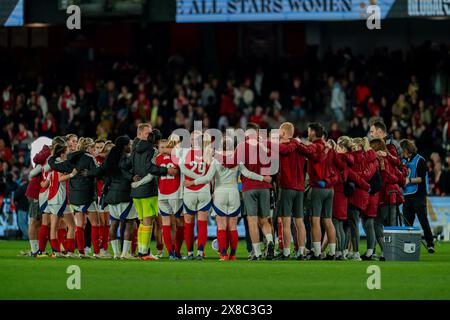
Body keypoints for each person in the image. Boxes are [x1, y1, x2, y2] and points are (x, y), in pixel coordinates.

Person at [185, 136, 269, 261]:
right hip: (234, 193)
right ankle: (233, 255)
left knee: (221, 226)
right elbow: (247, 173)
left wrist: (193, 183)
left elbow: (208, 178)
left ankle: (223, 254)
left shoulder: (216, 160)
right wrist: (263, 178)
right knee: (233, 227)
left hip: (220, 193)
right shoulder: (237, 160)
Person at [223, 123, 275, 261]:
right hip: (264, 187)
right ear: (257, 133)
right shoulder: (265, 146)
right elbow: (273, 165)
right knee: (264, 220)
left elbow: (230, 163)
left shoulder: (241, 146)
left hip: (249, 187)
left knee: (252, 220)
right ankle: (270, 240)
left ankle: (256, 253)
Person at [48, 137, 100, 258]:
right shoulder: (89, 158)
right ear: (87, 148)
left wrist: (51, 157)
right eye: (93, 148)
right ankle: (98, 252)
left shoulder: (70, 159)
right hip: (83, 195)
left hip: (73, 196)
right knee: (95, 223)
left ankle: (77, 251)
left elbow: (54, 167)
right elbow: (99, 171)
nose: (94, 151)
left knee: (77, 225)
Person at [130, 123, 175, 260]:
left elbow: (130, 166)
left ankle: (142, 251)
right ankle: (145, 253)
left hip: (136, 191)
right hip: (148, 189)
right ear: (140, 134)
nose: (151, 135)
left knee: (143, 222)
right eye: (148, 133)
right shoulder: (150, 149)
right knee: (148, 222)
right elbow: (150, 168)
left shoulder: (134, 148)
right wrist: (166, 170)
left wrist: (132, 178)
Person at [296, 123, 336, 260]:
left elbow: (305, 150)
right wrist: (329, 182)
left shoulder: (314, 146)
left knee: (315, 220)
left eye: (308, 131)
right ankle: (332, 252)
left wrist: (296, 142)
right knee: (328, 220)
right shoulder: (330, 148)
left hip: (317, 188)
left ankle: (317, 252)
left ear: (313, 132)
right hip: (329, 188)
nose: (307, 134)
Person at [102, 136, 138, 259]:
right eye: (129, 144)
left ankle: (116, 253)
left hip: (112, 195)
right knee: (130, 223)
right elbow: (125, 171)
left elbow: (101, 172)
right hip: (125, 194)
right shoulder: (125, 158)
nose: (130, 147)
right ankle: (125, 253)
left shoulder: (110, 158)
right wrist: (132, 177)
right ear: (124, 146)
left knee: (114, 224)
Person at [179, 130, 213, 260]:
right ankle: (200, 252)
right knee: (202, 223)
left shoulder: (185, 153)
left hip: (189, 191)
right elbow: (211, 177)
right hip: (204, 190)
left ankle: (189, 253)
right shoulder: (208, 154)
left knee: (188, 224)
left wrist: (191, 182)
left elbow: (182, 170)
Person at [276, 122, 307, 260]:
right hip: (299, 188)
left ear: (283, 132)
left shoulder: (280, 147)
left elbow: (283, 151)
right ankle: (301, 251)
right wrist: (296, 142)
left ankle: (287, 252)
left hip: (287, 187)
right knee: (299, 222)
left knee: (286, 222)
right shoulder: (300, 147)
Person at [400, 139, 435, 253]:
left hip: (418, 195)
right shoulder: (403, 161)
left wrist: (409, 180)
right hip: (407, 195)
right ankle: (408, 246)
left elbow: (421, 178)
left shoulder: (420, 160)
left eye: (402, 150)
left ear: (406, 149)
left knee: (423, 220)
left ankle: (430, 243)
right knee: (407, 222)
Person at [44, 141, 77, 258]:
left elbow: (48, 181)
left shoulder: (52, 164)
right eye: (66, 152)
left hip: (52, 198)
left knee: (54, 226)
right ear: (62, 154)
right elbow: (60, 179)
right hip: (60, 198)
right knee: (72, 226)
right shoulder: (59, 164)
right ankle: (70, 252)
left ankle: (56, 251)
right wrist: (72, 174)